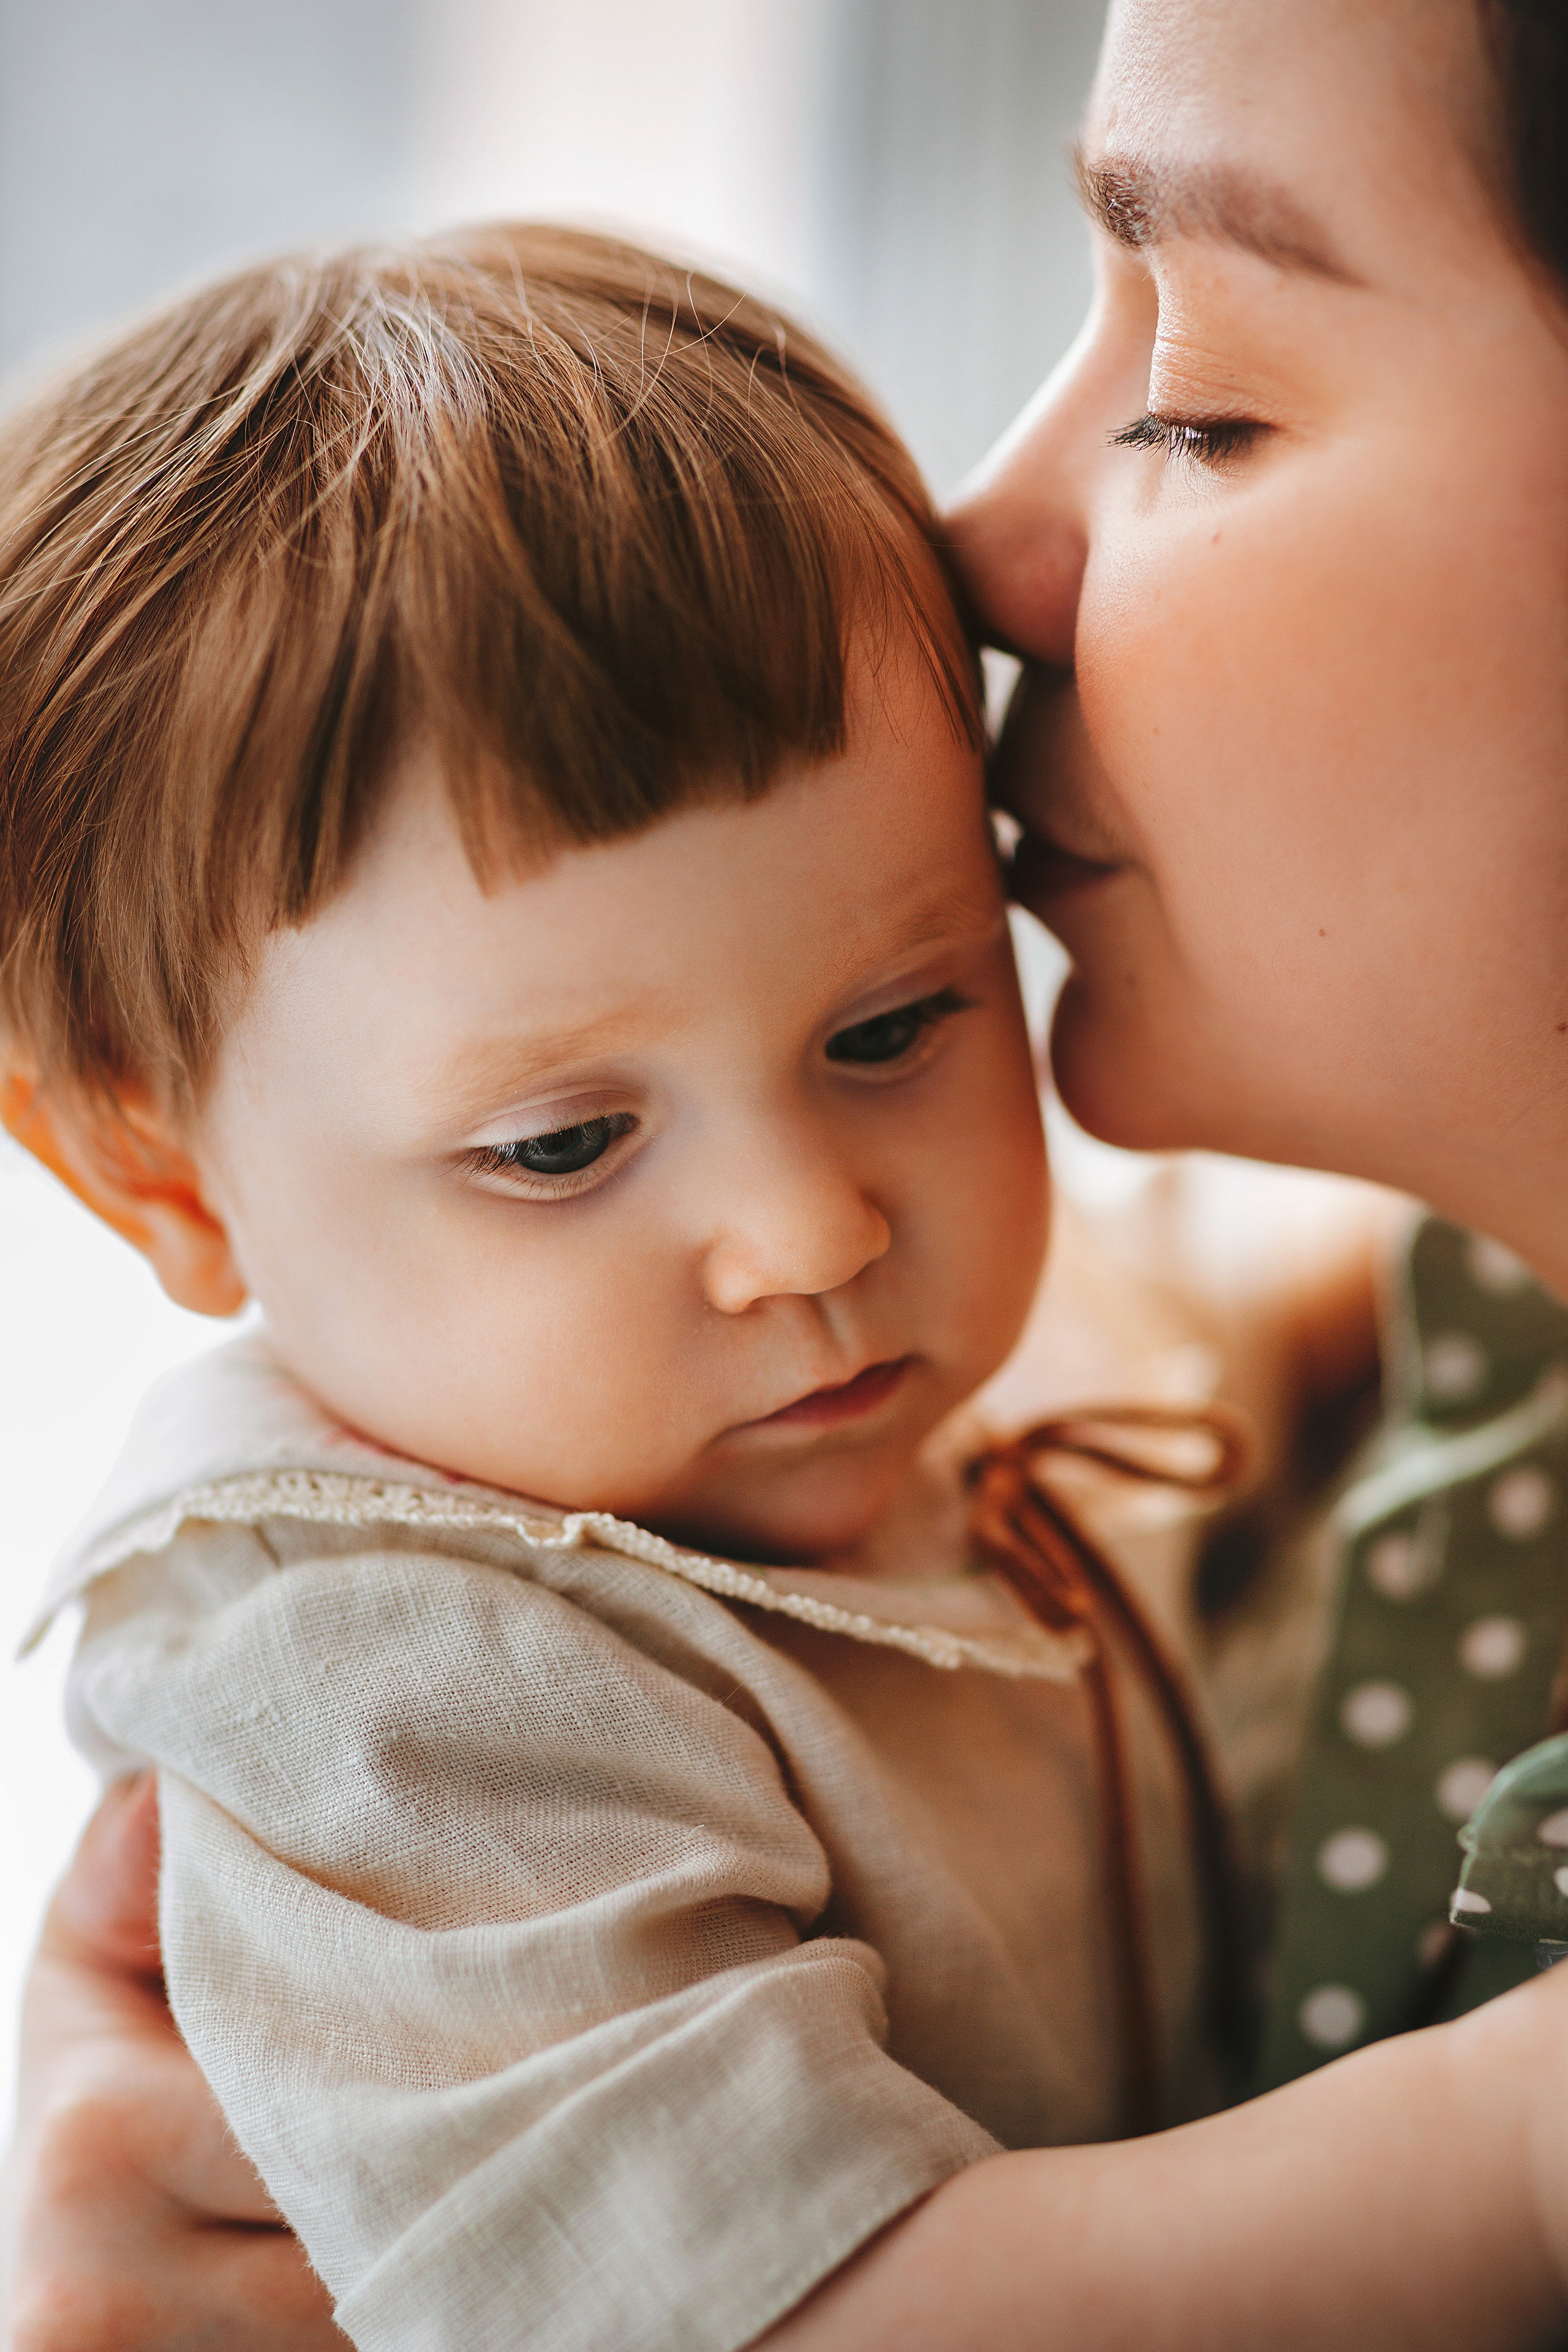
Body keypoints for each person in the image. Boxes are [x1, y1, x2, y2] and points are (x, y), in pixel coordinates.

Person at [11, 0, 1568, 2340]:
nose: (812, 1230)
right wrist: (1520, 2143)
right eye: (560, 1145)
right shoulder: (399, 1697)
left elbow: (1227, 1323)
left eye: (894, 1027)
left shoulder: (871, 1384)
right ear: (168, 1181)